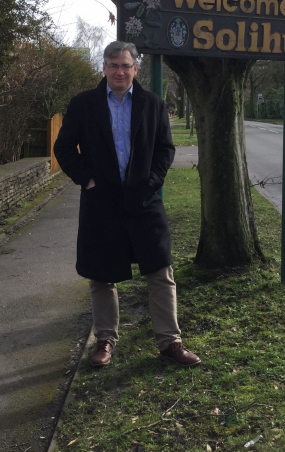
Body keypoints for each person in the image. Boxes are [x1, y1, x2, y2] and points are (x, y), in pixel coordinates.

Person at [54, 41, 201, 368]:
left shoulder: (152, 104)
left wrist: (152, 181)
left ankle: (170, 342)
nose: (119, 71)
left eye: (126, 65)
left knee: (161, 270)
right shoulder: (84, 105)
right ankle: (105, 340)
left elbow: (165, 149)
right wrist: (87, 180)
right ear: (104, 68)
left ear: (136, 68)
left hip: (143, 200)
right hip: (101, 204)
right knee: (101, 275)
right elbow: (63, 148)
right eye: (113, 65)